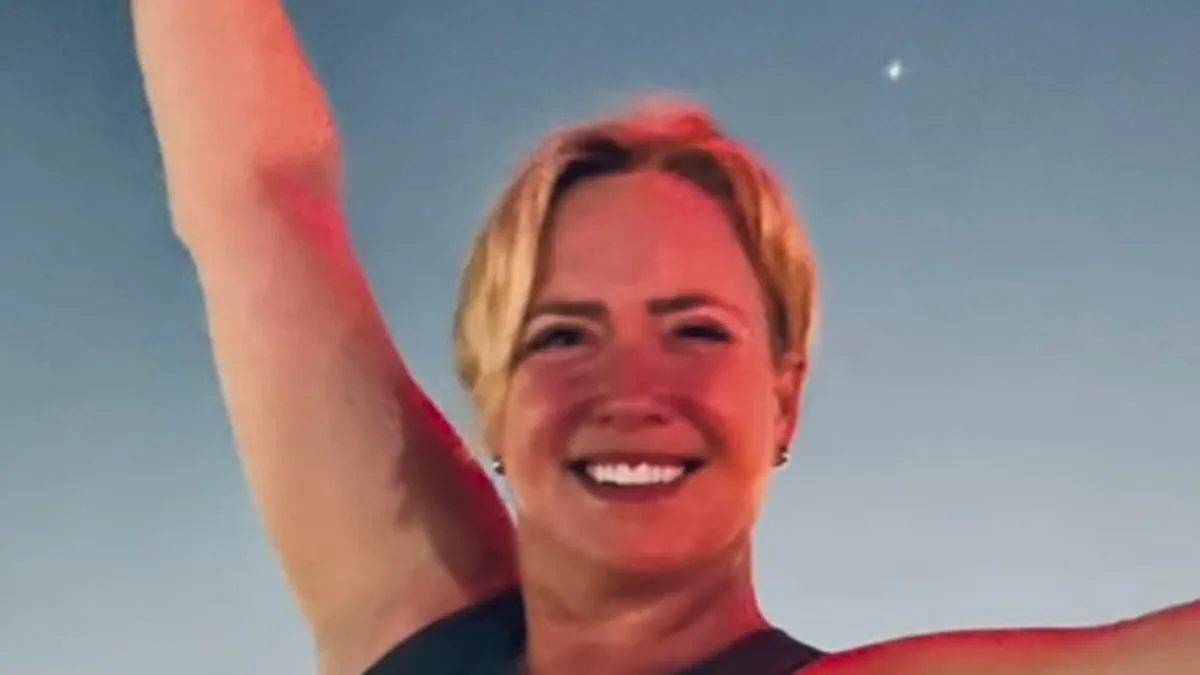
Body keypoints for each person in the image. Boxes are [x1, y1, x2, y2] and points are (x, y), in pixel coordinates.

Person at [131, 2, 1199, 674]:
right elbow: (255, 190)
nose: (631, 388)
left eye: (695, 330)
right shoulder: (409, 614)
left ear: (784, 398)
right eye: (562, 336)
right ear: (494, 401)